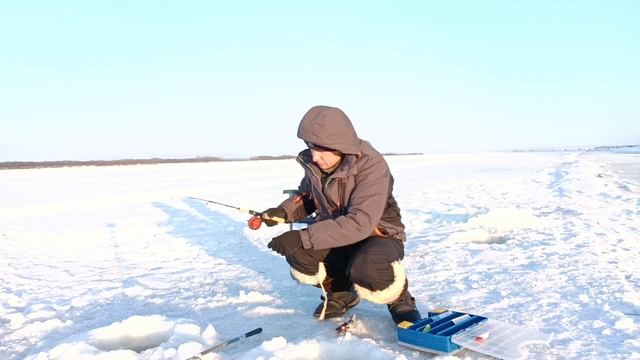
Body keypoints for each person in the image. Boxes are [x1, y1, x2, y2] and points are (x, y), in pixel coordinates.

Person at [262, 105, 421, 324]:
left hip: (378, 235)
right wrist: (283, 212)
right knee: (298, 253)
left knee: (367, 268)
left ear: (340, 144)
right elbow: (307, 196)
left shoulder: (372, 166)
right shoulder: (316, 164)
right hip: (336, 233)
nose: (315, 157)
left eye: (322, 149)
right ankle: (340, 291)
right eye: (310, 147)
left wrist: (303, 236)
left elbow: (360, 222)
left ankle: (399, 298)